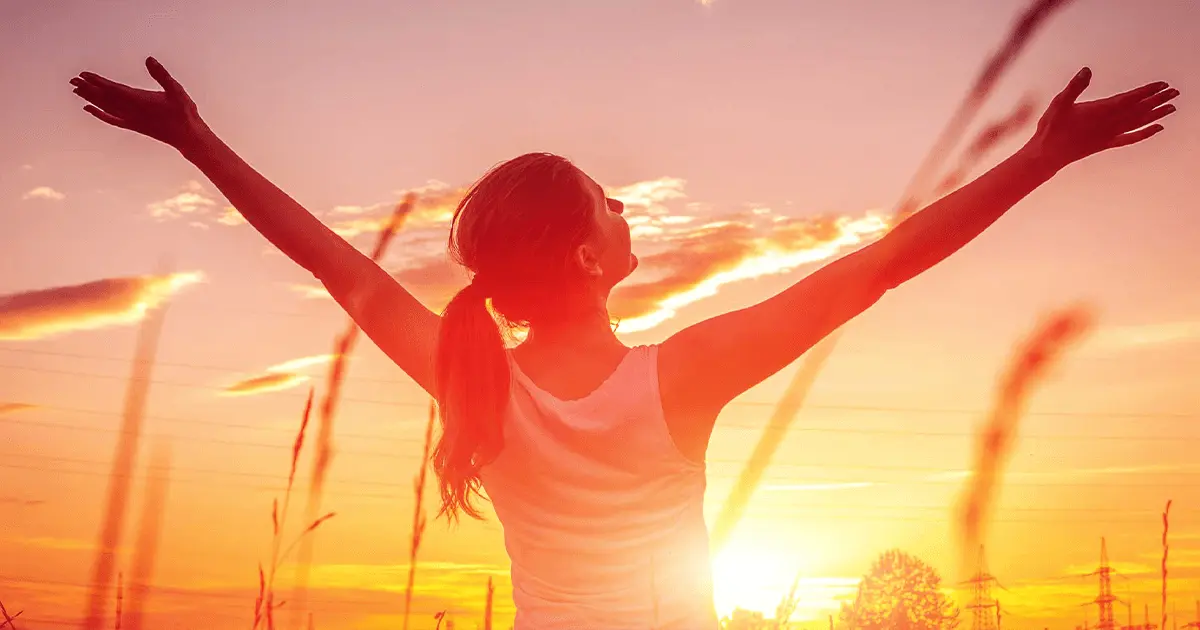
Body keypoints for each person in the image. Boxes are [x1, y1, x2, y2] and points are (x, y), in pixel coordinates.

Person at [70, 58, 1177, 629]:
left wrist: (196, 140)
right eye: (610, 202)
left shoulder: (472, 378)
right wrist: (1041, 158)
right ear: (592, 257)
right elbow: (875, 270)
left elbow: (336, 264)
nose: (625, 211)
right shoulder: (682, 376)